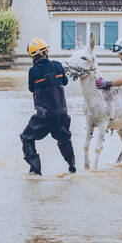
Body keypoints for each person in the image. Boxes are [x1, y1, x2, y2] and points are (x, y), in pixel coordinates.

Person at [20, 38, 77, 176]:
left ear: (33, 55)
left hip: (44, 115)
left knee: (26, 138)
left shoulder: (33, 71)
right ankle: (72, 167)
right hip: (62, 114)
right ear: (46, 51)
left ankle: (35, 171)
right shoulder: (57, 65)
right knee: (64, 138)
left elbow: (31, 88)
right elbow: (65, 81)